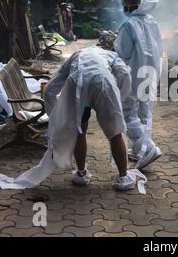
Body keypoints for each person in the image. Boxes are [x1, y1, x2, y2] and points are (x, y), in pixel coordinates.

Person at [44, 46, 136, 190]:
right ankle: (123, 177)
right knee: (115, 133)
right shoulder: (111, 55)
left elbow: (50, 88)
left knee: (80, 130)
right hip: (103, 84)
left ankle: (81, 174)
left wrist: (57, 117)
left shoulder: (76, 55)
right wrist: (120, 97)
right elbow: (124, 74)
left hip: (76, 85)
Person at [114, 0, 163, 170]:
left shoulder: (129, 25)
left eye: (121, 3)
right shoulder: (152, 21)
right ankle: (139, 150)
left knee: (128, 114)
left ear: (126, 4)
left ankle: (149, 149)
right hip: (151, 72)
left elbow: (123, 52)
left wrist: (114, 42)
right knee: (145, 112)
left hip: (134, 74)